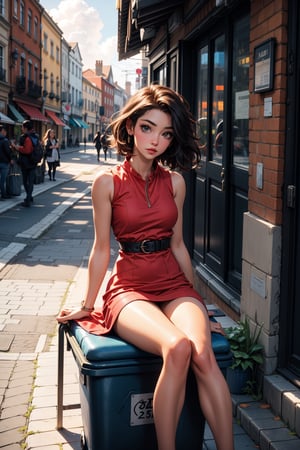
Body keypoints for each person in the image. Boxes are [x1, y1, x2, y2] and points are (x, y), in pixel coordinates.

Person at [57, 84, 234, 450]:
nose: (156, 140)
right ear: (131, 127)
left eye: (166, 133)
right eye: (147, 128)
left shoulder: (176, 183)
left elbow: (179, 245)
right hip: (130, 287)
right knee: (177, 346)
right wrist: (89, 305)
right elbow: (101, 250)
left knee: (203, 354)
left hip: (173, 282)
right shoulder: (106, 183)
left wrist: (199, 303)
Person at [11, 120, 36, 207]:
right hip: (33, 162)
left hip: (26, 163)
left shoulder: (27, 138)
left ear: (25, 128)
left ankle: (28, 199)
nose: (21, 128)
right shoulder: (34, 136)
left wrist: (17, 147)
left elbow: (27, 150)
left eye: (22, 127)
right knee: (30, 181)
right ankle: (30, 196)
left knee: (26, 181)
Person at [0, 125, 13, 200]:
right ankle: (3, 194)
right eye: (5, 131)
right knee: (3, 180)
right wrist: (10, 159)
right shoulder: (5, 140)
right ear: (2, 131)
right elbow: (8, 152)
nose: (6, 133)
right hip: (4, 163)